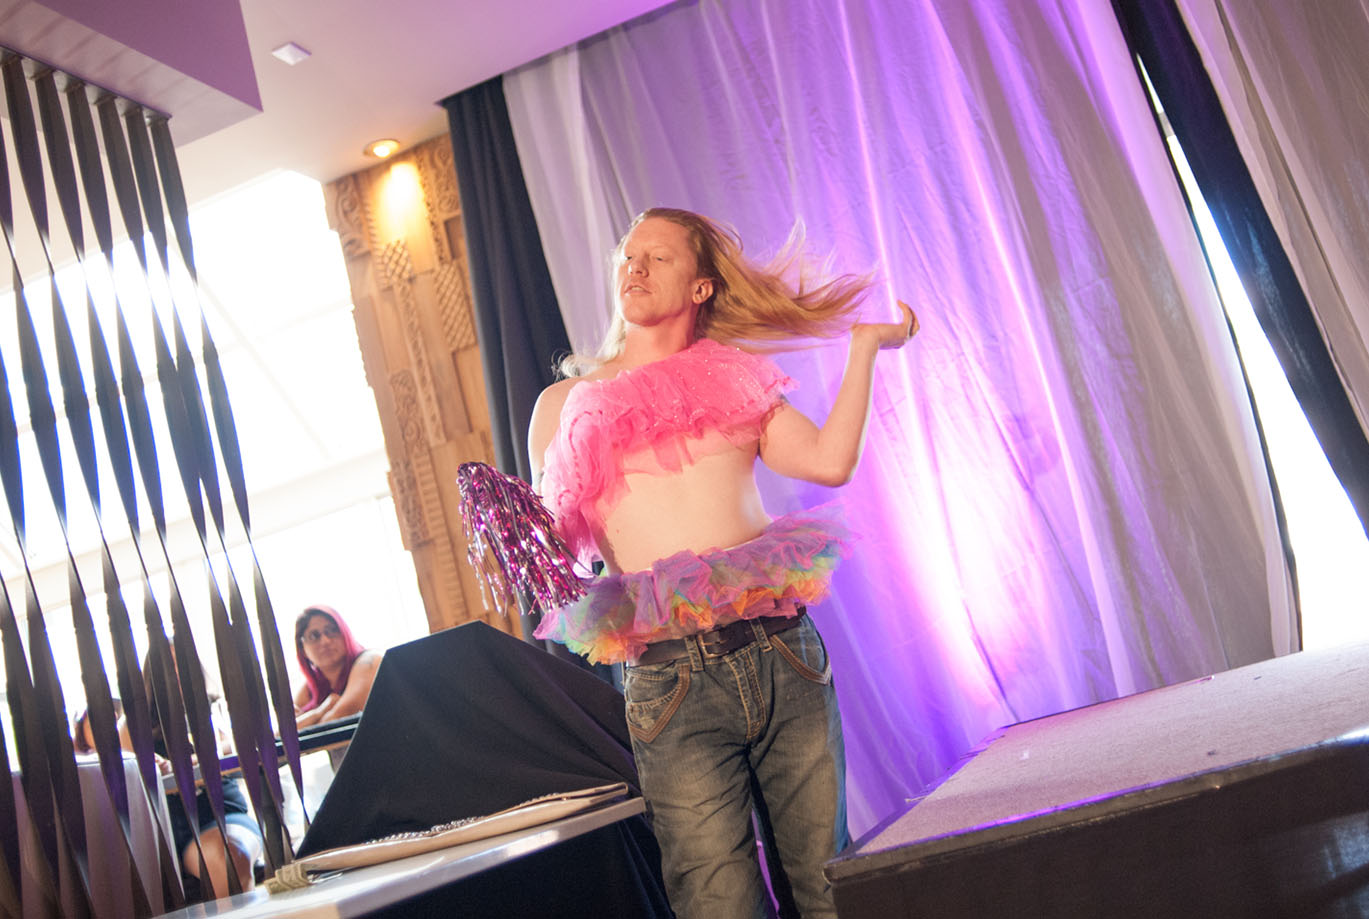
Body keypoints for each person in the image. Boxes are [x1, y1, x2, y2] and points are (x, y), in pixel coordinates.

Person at [528, 207, 917, 918]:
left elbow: (829, 461)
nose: (634, 267)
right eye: (627, 256)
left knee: (829, 888)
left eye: (657, 257)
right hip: (671, 678)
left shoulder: (734, 376)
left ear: (700, 286)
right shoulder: (564, 405)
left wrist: (864, 350)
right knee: (718, 905)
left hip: (782, 652)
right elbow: (556, 552)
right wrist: (509, 524)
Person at [118, 653, 263, 899]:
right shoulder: (133, 724)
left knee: (231, 854)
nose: (178, 672)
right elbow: (129, 777)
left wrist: (191, 762)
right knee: (225, 856)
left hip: (222, 815)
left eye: (184, 663)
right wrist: (155, 768)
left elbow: (231, 746)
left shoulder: (211, 711)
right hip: (170, 826)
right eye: (169, 665)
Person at [292, 605, 383, 729]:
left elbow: (337, 719)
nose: (325, 641)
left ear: (345, 633)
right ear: (302, 650)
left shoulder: (369, 661)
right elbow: (282, 735)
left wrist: (306, 720)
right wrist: (320, 711)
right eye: (314, 636)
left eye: (332, 630)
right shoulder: (309, 689)